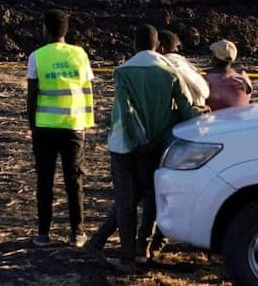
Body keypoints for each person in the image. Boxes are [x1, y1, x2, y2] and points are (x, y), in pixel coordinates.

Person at [85, 24, 199, 273]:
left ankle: (124, 257)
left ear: (133, 45)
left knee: (126, 200)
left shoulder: (124, 72)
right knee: (147, 197)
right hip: (154, 147)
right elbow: (186, 110)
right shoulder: (169, 72)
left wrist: (137, 140)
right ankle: (132, 247)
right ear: (158, 46)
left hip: (125, 146)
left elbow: (125, 112)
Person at [26, 9, 94, 248]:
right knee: (74, 180)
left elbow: (32, 96)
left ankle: (43, 234)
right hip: (74, 125)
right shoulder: (80, 55)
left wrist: (32, 127)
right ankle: (77, 233)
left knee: (45, 180)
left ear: (45, 28)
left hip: (45, 127)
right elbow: (86, 89)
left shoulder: (37, 56)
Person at [157, 30, 208, 109]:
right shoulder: (184, 64)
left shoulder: (167, 64)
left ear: (161, 48)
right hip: (197, 111)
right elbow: (204, 91)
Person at [205, 39, 252, 111]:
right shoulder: (243, 76)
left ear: (214, 57)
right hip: (241, 119)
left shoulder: (208, 79)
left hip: (216, 121)